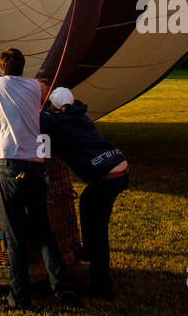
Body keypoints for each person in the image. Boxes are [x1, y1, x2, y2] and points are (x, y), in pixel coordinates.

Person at [0, 47, 80, 311]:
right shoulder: (35, 87)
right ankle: (63, 288)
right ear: (24, 66)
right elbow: (41, 98)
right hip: (35, 165)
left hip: (9, 164)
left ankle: (19, 298)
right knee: (42, 230)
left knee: (14, 235)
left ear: (1, 68)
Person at [39, 85, 129, 300]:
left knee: (98, 231)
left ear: (55, 106)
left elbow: (31, 116)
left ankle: (101, 286)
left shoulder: (58, 123)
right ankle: (88, 250)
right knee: (88, 205)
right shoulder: (79, 114)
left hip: (107, 177)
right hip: (120, 168)